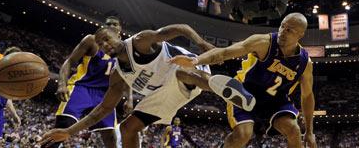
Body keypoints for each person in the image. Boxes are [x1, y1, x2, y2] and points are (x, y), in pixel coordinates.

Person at [39, 24, 254, 148]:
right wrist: (68, 131)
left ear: (118, 35)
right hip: (164, 92)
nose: (105, 45)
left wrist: (201, 45)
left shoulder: (141, 41)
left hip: (189, 68)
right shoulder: (118, 76)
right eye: (101, 45)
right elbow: (102, 110)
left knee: (180, 72)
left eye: (107, 39)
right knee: (127, 128)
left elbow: (181, 28)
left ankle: (223, 89)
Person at [170, 13, 317, 148]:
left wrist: (310, 131)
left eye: (289, 30)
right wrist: (196, 60)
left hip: (276, 101)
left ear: (300, 35)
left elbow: (307, 96)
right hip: (244, 92)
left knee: (294, 130)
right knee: (243, 134)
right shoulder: (264, 43)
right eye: (282, 26)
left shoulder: (305, 63)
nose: (282, 32)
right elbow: (224, 52)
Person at [46, 16, 123, 148]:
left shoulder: (124, 48)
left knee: (110, 138)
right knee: (64, 125)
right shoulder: (91, 40)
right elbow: (70, 61)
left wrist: (130, 99)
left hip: (105, 95)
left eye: (114, 24)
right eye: (108, 24)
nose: (111, 26)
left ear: (120, 28)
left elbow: (126, 76)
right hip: (81, 88)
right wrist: (62, 84)